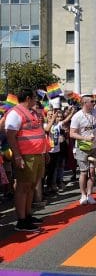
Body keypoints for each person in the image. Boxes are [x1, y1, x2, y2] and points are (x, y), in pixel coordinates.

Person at [6, 88, 47, 231]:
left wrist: (44, 151)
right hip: (25, 156)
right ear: (28, 98)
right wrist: (17, 155)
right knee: (23, 188)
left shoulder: (32, 112)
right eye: (35, 97)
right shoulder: (15, 113)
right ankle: (21, 221)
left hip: (36, 155)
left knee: (30, 187)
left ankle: (28, 215)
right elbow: (10, 135)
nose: (36, 100)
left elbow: (38, 132)